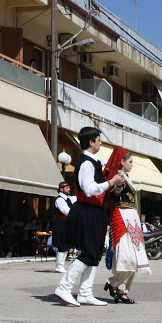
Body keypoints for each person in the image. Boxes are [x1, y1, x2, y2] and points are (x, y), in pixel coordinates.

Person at [54, 126, 125, 307]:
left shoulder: (93, 161)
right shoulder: (86, 162)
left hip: (94, 210)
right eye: (99, 140)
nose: (101, 142)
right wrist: (110, 182)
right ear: (91, 142)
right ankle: (64, 286)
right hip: (87, 210)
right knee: (90, 251)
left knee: (95, 252)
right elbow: (89, 189)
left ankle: (85, 293)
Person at [103, 147, 151, 304]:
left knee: (135, 257)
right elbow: (115, 192)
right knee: (126, 257)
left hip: (132, 218)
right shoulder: (119, 177)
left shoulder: (128, 177)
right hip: (122, 217)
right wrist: (117, 186)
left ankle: (122, 290)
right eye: (130, 161)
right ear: (122, 162)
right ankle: (114, 284)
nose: (132, 164)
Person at [53, 181, 77, 273]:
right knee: (61, 244)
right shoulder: (59, 199)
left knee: (66, 244)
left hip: (66, 223)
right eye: (67, 187)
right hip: (60, 223)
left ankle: (61, 265)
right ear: (61, 189)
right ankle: (59, 266)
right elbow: (66, 211)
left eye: (69, 187)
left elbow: (76, 198)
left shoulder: (67, 198)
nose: (69, 189)